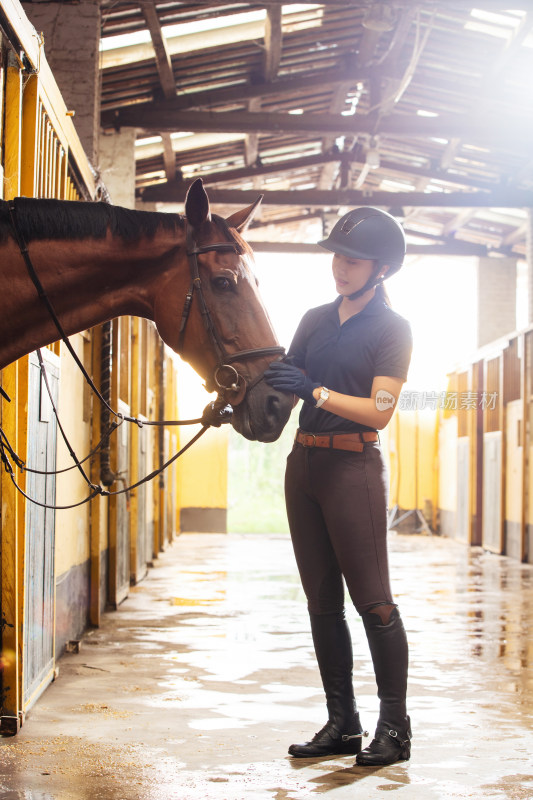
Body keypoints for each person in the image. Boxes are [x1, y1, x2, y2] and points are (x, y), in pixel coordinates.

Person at [264, 207, 413, 767]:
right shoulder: (313, 319)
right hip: (303, 468)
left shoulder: (392, 329)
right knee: (322, 603)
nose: (340, 266)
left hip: (353, 470)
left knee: (373, 602)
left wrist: (316, 391)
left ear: (381, 269)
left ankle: (394, 729)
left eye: (352, 259)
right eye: (336, 256)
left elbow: (379, 412)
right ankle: (342, 723)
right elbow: (284, 386)